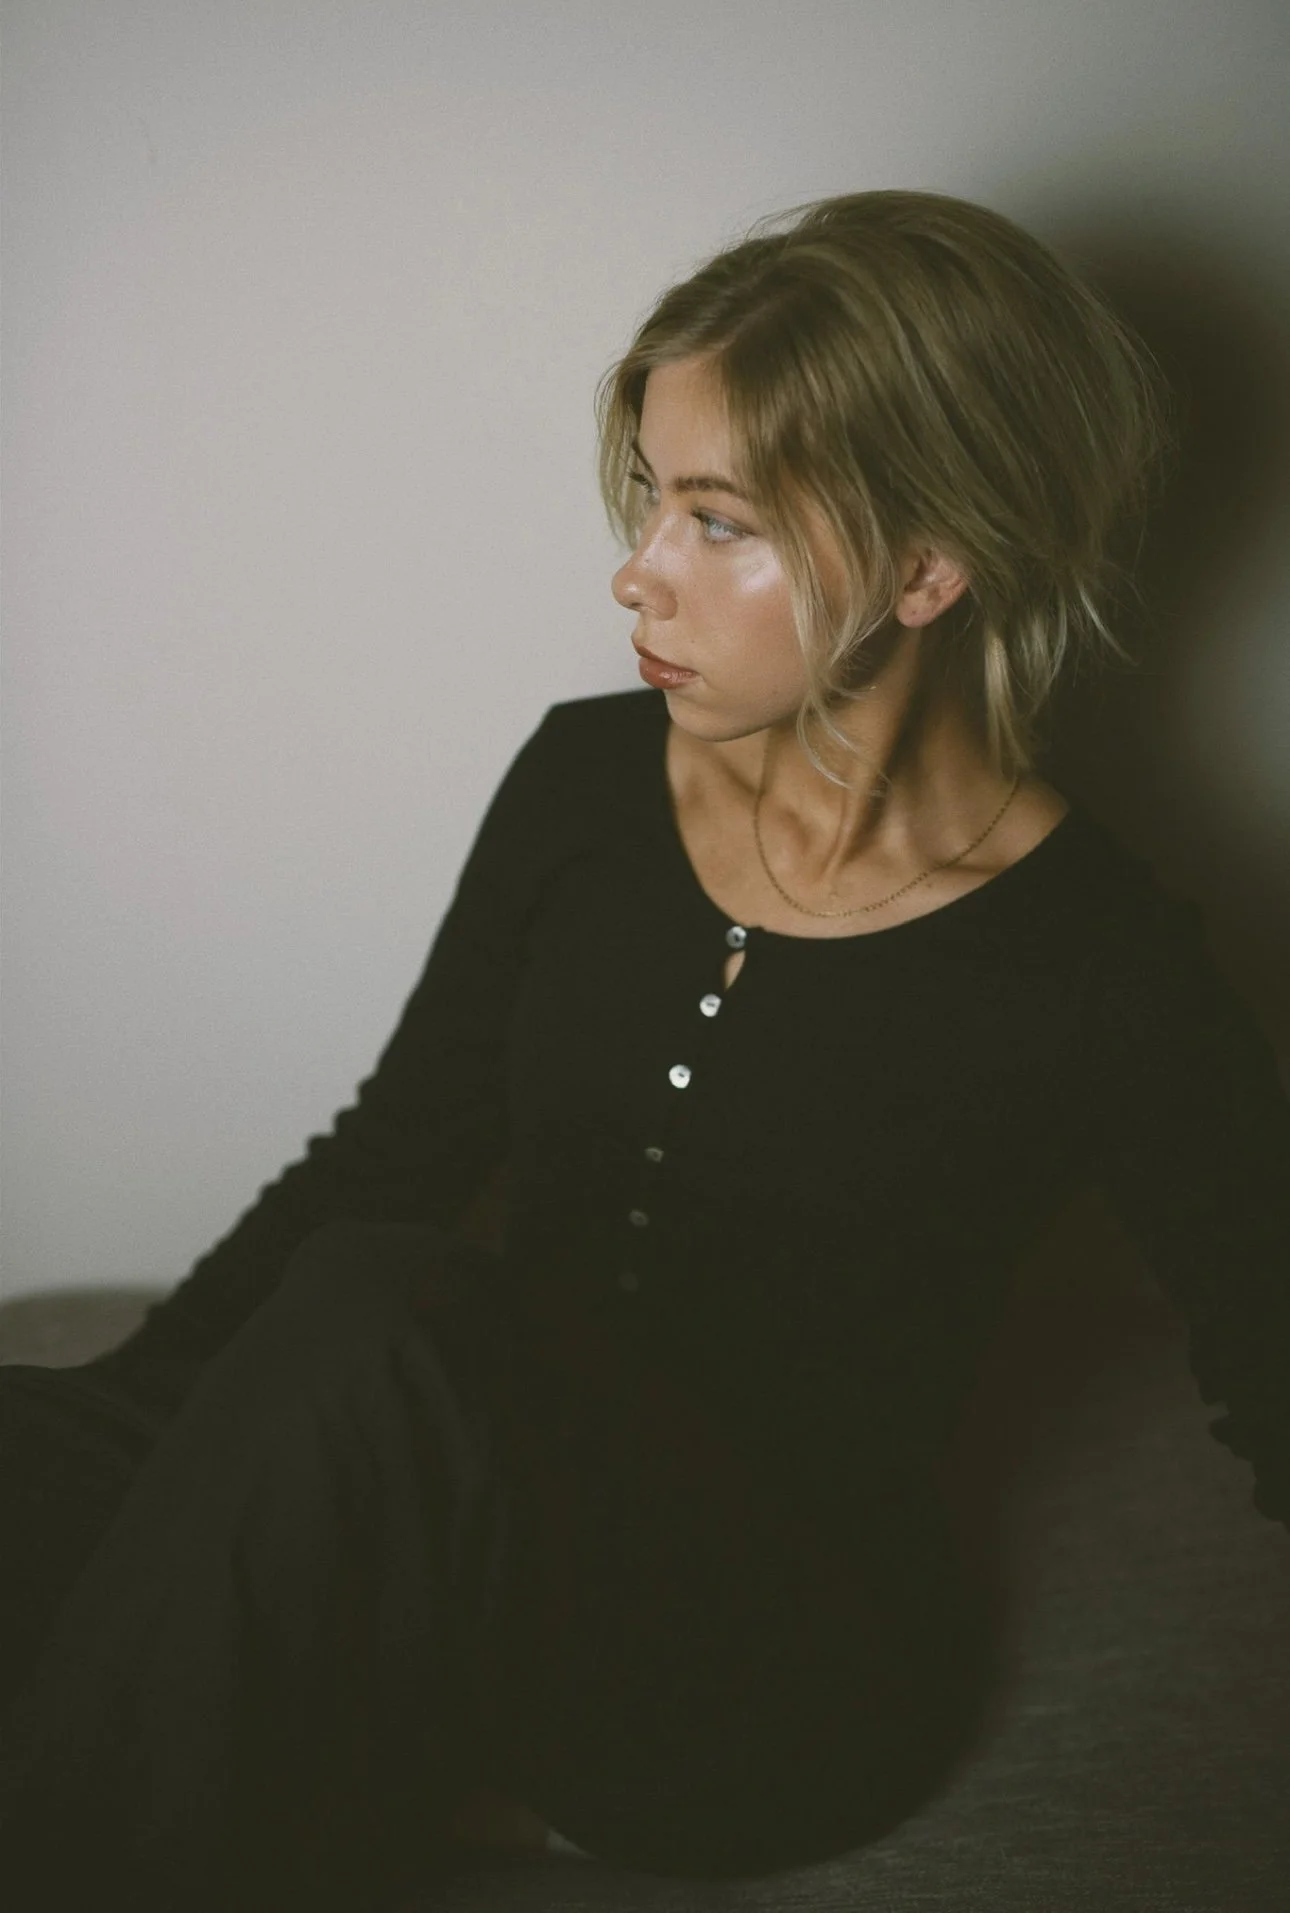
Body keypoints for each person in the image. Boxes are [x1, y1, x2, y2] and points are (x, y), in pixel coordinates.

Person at [3, 188, 1289, 1910]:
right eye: (647, 503)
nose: (637, 571)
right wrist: (129, 1440)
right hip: (481, 1528)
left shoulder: (1094, 954)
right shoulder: (584, 781)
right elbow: (398, 1140)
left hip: (758, 1669)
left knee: (386, 1309)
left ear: (924, 566)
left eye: (717, 521)